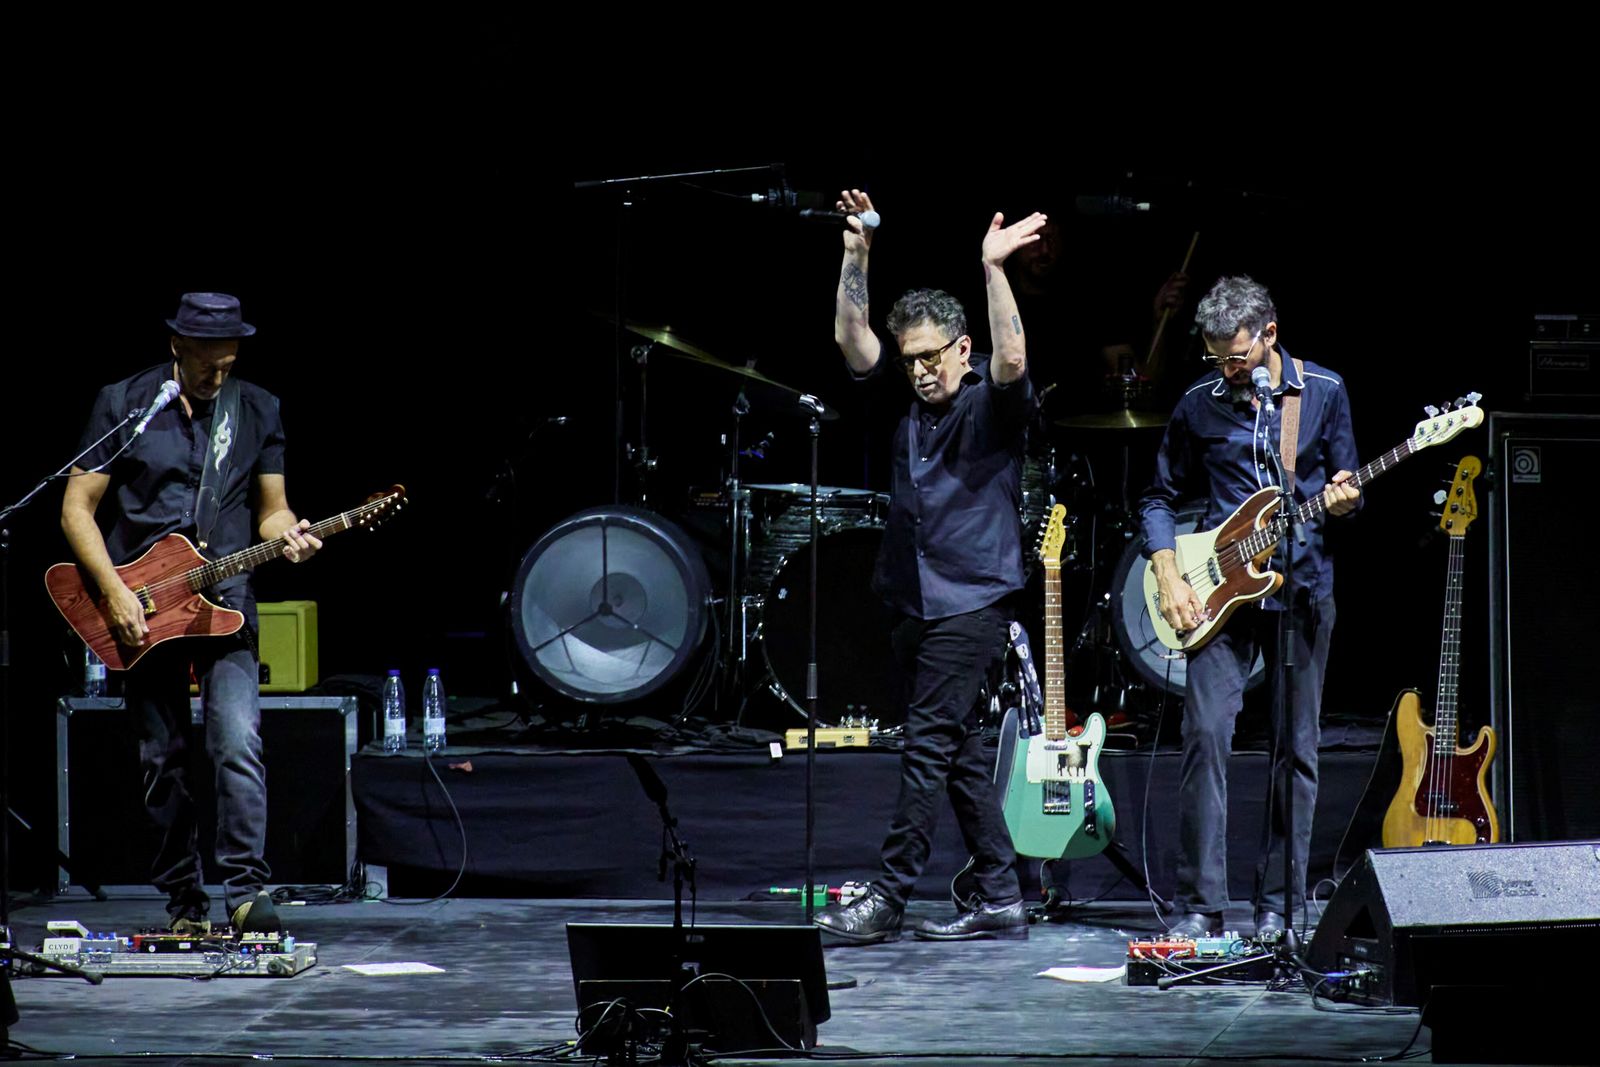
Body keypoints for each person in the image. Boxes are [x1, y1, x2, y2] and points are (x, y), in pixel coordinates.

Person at [810, 189, 1044, 944]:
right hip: (911, 597)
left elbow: (1013, 357)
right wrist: (856, 254)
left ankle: (891, 892)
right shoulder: (903, 404)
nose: (918, 372)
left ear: (960, 351)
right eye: (909, 359)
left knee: (925, 744)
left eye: (931, 357)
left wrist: (992, 268)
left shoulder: (989, 406)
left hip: (973, 598)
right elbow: (852, 338)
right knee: (962, 748)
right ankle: (1001, 891)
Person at [60, 292, 322, 935]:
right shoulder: (124, 403)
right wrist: (114, 592)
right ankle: (183, 902)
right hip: (143, 609)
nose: (218, 376)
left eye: (229, 363)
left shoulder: (257, 409)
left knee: (237, 741)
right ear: (178, 346)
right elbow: (76, 507)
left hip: (225, 605)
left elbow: (273, 508)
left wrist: (289, 533)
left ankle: (245, 893)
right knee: (162, 758)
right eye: (208, 363)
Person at [1137, 275, 1360, 940]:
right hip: (1216, 590)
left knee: (1297, 750)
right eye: (1215, 356)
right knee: (1205, 735)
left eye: (1235, 355)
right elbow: (1157, 494)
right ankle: (1200, 902)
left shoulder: (1322, 391)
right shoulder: (1196, 405)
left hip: (1300, 588)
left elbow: (1349, 483)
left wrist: (1347, 499)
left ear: (1269, 333)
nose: (1226, 369)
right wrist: (1169, 571)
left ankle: (1277, 902)